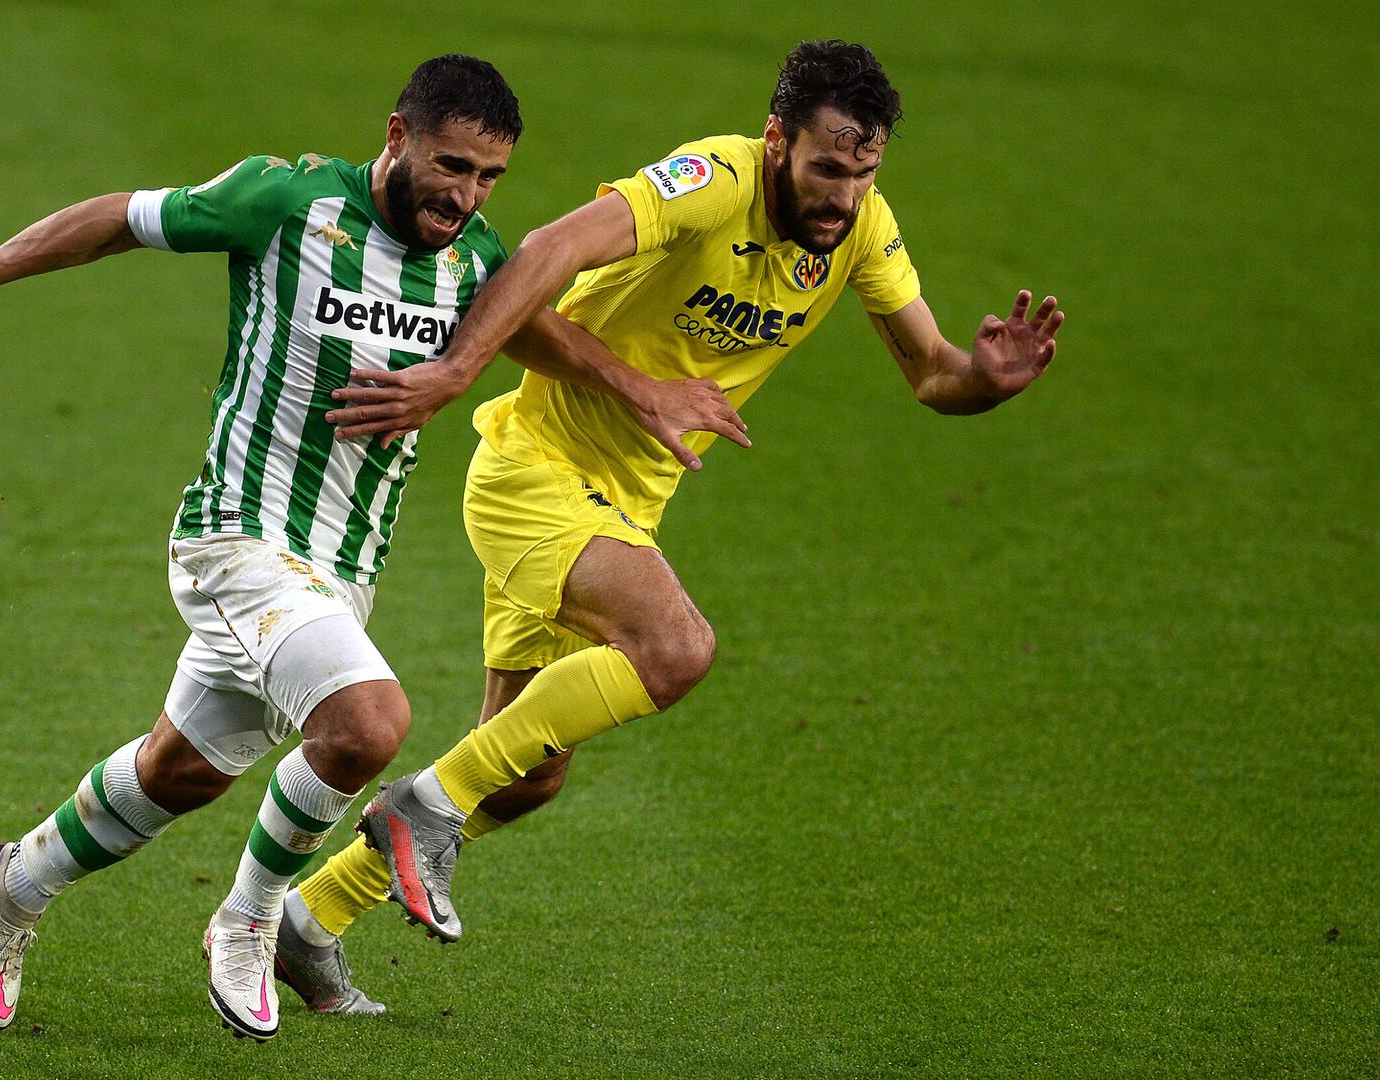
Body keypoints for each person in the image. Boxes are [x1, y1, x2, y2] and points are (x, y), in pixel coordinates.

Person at [0, 54, 744, 1041]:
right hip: (238, 534)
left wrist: (644, 389)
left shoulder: (471, 260)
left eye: (490, 177)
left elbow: (531, 334)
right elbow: (121, 215)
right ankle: (248, 922)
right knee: (369, 724)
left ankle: (10, 890)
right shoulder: (286, 201)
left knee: (177, 773)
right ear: (398, 137)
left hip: (340, 569)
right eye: (451, 165)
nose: (467, 194)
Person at [285, 39, 1065, 1007]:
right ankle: (420, 810)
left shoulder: (862, 230)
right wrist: (454, 371)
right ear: (778, 141)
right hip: (535, 472)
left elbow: (931, 372)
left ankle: (310, 917)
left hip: (624, 506)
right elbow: (548, 250)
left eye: (864, 174)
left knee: (526, 776)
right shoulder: (711, 182)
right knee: (677, 646)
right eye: (827, 168)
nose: (845, 197)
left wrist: (985, 383)